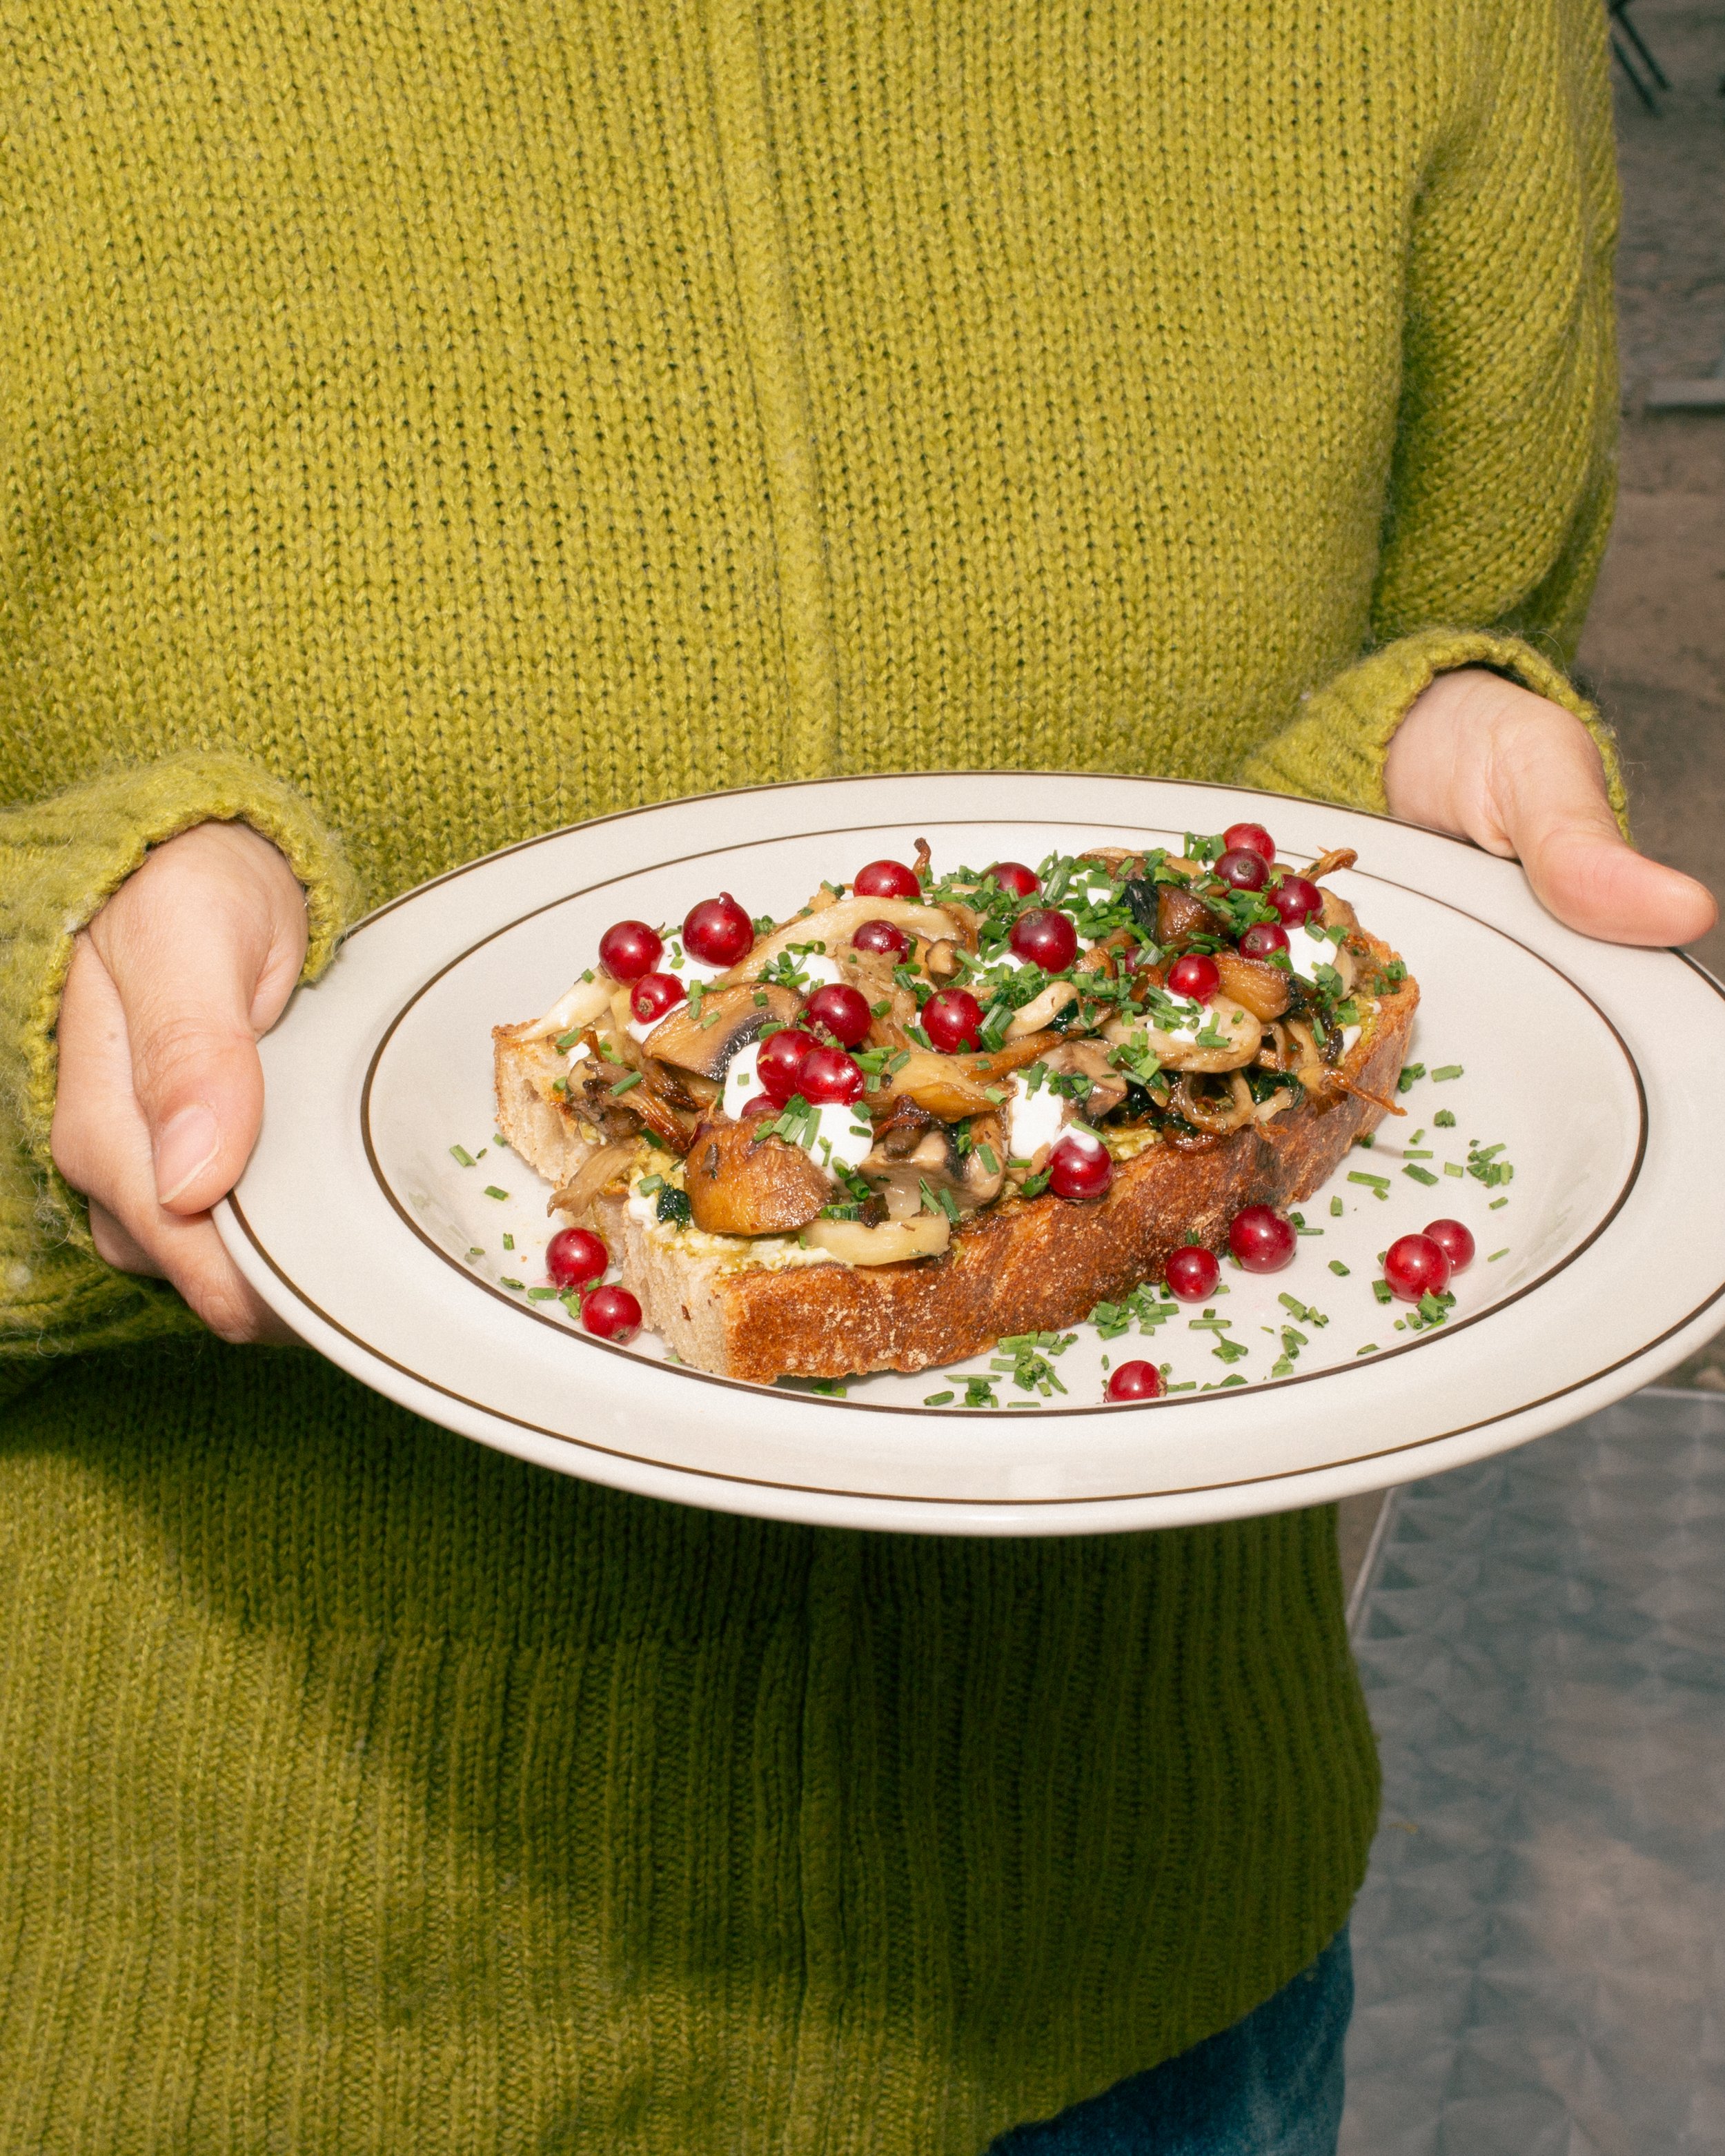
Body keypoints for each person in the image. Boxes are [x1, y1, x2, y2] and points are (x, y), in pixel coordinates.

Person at [0, 2, 1713, 2150]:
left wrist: (1341, 858)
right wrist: (36, 1004)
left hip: (1143, 1966)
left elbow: (1450, 614)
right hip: (208, 2016)